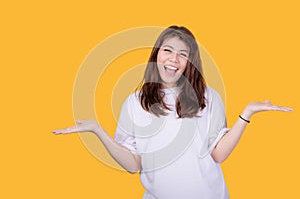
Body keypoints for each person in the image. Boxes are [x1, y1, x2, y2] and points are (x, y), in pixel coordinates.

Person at [53, 26, 292, 199]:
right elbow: (133, 165)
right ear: (157, 54)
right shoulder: (135, 103)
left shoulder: (209, 98)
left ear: (191, 62)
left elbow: (218, 154)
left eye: (183, 54)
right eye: (168, 50)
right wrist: (97, 130)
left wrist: (246, 114)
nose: (174, 59)